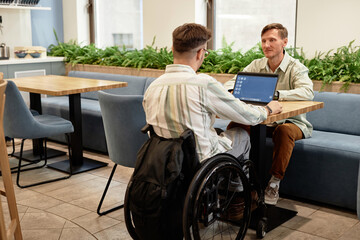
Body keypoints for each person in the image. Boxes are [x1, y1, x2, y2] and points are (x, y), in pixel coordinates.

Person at [143, 23, 282, 164]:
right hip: (200, 160)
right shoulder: (203, 84)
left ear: (172, 50)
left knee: (215, 130)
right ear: (200, 53)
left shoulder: (152, 87)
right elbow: (248, 116)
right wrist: (268, 109)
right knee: (241, 135)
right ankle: (238, 186)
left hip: (165, 162)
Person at [224, 23, 314, 205]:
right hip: (261, 120)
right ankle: (241, 174)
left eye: (272, 40)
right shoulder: (256, 64)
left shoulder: (296, 67)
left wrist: (277, 95)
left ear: (284, 42)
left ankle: (274, 183)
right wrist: (232, 90)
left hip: (292, 123)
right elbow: (232, 82)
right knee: (236, 125)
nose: (266, 45)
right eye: (264, 41)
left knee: (284, 132)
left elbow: (307, 92)